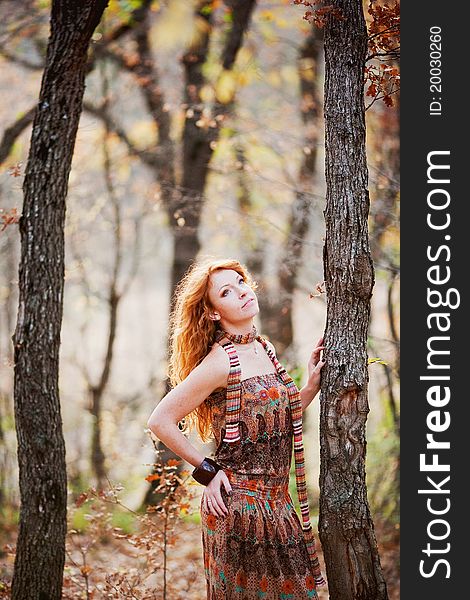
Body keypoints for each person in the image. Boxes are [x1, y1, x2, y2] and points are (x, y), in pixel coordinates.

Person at [147, 256, 327, 599]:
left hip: (278, 502)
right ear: (214, 312)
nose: (243, 292)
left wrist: (309, 389)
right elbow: (160, 420)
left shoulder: (265, 347)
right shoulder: (219, 362)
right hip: (237, 507)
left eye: (241, 283)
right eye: (227, 292)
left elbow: (273, 422)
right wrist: (208, 472)